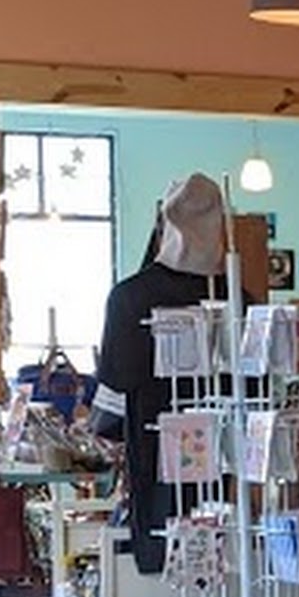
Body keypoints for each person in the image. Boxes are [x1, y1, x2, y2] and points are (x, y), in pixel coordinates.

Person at [90, 175, 227, 573]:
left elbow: (115, 384)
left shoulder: (130, 297)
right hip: (223, 464)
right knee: (217, 554)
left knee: (158, 556)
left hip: (151, 456)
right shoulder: (236, 300)